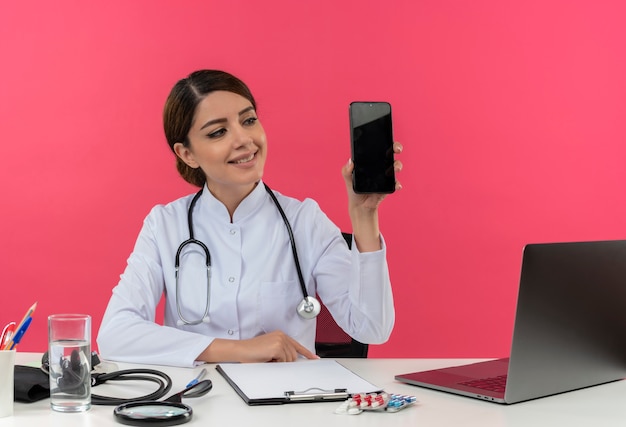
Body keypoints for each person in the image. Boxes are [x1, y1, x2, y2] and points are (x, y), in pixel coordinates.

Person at [97, 70, 403, 367]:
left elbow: (371, 328)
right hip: (201, 402)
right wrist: (238, 350)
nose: (244, 139)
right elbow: (114, 334)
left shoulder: (304, 221)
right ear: (187, 154)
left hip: (285, 406)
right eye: (218, 132)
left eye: (249, 120)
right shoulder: (164, 226)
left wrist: (365, 216)